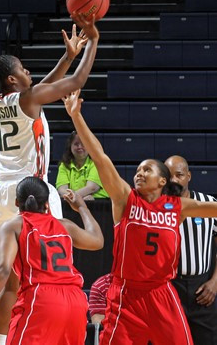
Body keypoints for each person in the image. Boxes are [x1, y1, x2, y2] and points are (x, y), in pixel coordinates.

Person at [0, 13, 100, 345]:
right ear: (12, 80)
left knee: (10, 276)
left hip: (2, 194)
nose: (28, 72)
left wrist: (67, 55)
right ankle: (48, 329)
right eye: (23, 69)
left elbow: (41, 88)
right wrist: (93, 40)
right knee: (53, 269)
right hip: (32, 190)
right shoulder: (28, 98)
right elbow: (74, 82)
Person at [62, 90, 217, 345]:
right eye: (137, 170)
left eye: (147, 169)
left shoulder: (178, 206)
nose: (140, 173)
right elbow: (100, 157)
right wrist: (76, 116)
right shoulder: (125, 199)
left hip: (162, 293)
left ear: (163, 180)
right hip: (125, 293)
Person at [0, 176, 104, 345]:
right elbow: (97, 241)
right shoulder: (65, 225)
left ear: (16, 202)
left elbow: (2, 271)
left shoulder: (12, 226)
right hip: (76, 301)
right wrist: (81, 207)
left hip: (41, 299)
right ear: (47, 203)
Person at [165, 155, 217, 345]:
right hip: (169, 287)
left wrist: (215, 282)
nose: (174, 180)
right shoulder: (158, 207)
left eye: (179, 175)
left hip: (202, 289)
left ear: (189, 176)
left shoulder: (208, 203)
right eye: (169, 176)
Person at [56, 131, 109, 200]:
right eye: (76, 144)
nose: (79, 147)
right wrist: (75, 197)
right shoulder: (64, 165)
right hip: (72, 203)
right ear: (70, 146)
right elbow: (62, 189)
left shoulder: (97, 164)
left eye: (83, 144)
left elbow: (92, 188)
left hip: (98, 204)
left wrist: (71, 197)